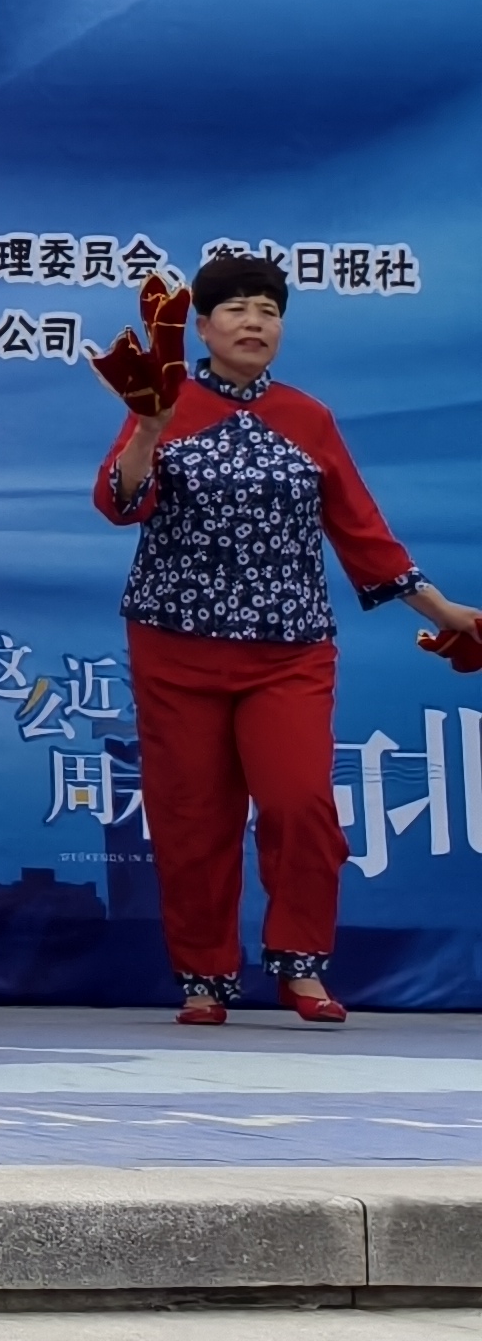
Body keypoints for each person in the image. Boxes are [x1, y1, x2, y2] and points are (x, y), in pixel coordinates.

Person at [98, 248, 471, 1025]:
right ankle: (204, 976)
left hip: (288, 650)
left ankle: (302, 964)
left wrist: (444, 612)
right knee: (191, 816)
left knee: (301, 804)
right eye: (236, 309)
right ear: (203, 327)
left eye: (268, 311)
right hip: (176, 647)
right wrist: (149, 430)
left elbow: (362, 531)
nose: (254, 322)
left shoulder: (309, 417)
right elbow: (120, 502)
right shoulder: (163, 402)